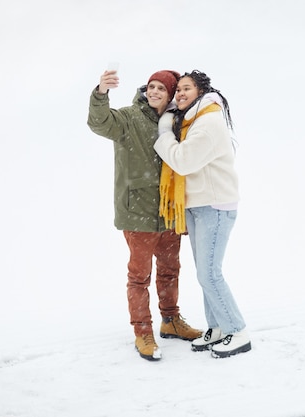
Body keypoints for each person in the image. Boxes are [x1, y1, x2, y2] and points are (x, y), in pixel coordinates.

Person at [87, 68, 202, 361]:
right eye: (151, 87)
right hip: (137, 210)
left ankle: (170, 320)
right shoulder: (128, 117)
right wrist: (101, 93)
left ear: (171, 94)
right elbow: (99, 122)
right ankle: (142, 331)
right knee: (139, 276)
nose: (154, 92)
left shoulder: (177, 121)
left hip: (169, 209)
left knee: (170, 270)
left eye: (161, 89)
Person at [153, 70, 251, 359]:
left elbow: (182, 161)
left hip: (215, 205)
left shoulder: (207, 122)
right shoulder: (193, 120)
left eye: (187, 89)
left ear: (201, 92)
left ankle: (237, 330)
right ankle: (218, 327)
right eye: (178, 90)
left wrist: (163, 133)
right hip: (198, 205)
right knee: (204, 273)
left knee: (210, 274)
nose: (180, 94)